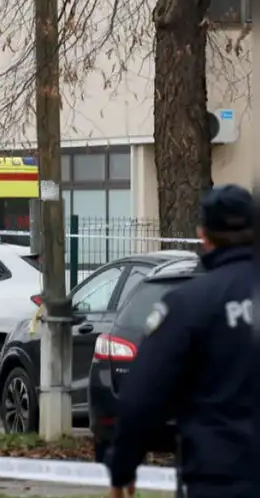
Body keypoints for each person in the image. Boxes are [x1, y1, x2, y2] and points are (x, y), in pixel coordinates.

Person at [106, 185, 253, 498]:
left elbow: (143, 395)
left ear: (203, 235)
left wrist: (123, 465)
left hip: (220, 479)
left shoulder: (189, 304)